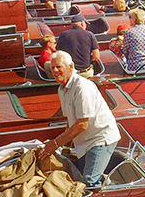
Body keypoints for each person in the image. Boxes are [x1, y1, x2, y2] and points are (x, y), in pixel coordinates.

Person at [37, 51, 121, 190]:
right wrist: (64, 145)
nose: (55, 71)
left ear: (71, 66)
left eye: (59, 66)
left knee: (89, 181)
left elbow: (82, 124)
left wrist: (55, 144)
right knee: (78, 177)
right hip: (84, 143)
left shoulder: (82, 87)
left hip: (100, 139)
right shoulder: (61, 89)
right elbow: (71, 121)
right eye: (52, 68)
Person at [56, 14, 100, 78]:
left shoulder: (64, 35)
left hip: (70, 73)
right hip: (86, 73)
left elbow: (58, 54)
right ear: (82, 23)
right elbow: (96, 56)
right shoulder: (90, 35)